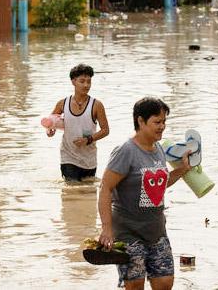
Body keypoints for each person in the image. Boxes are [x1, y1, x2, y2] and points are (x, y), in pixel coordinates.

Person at [97, 97, 192, 290]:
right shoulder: (126, 151)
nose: (162, 126)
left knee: (165, 283)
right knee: (135, 285)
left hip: (157, 231)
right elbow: (105, 188)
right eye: (157, 122)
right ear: (141, 121)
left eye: (164, 121)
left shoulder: (158, 149)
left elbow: (158, 184)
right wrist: (106, 228)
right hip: (128, 233)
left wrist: (182, 170)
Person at [47, 63, 110, 181]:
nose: (86, 85)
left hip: (89, 159)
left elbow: (106, 130)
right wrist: (50, 130)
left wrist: (88, 139)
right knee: (71, 190)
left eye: (89, 82)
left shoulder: (97, 105)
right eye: (82, 81)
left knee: (88, 192)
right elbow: (50, 122)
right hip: (68, 156)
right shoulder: (62, 103)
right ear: (73, 81)